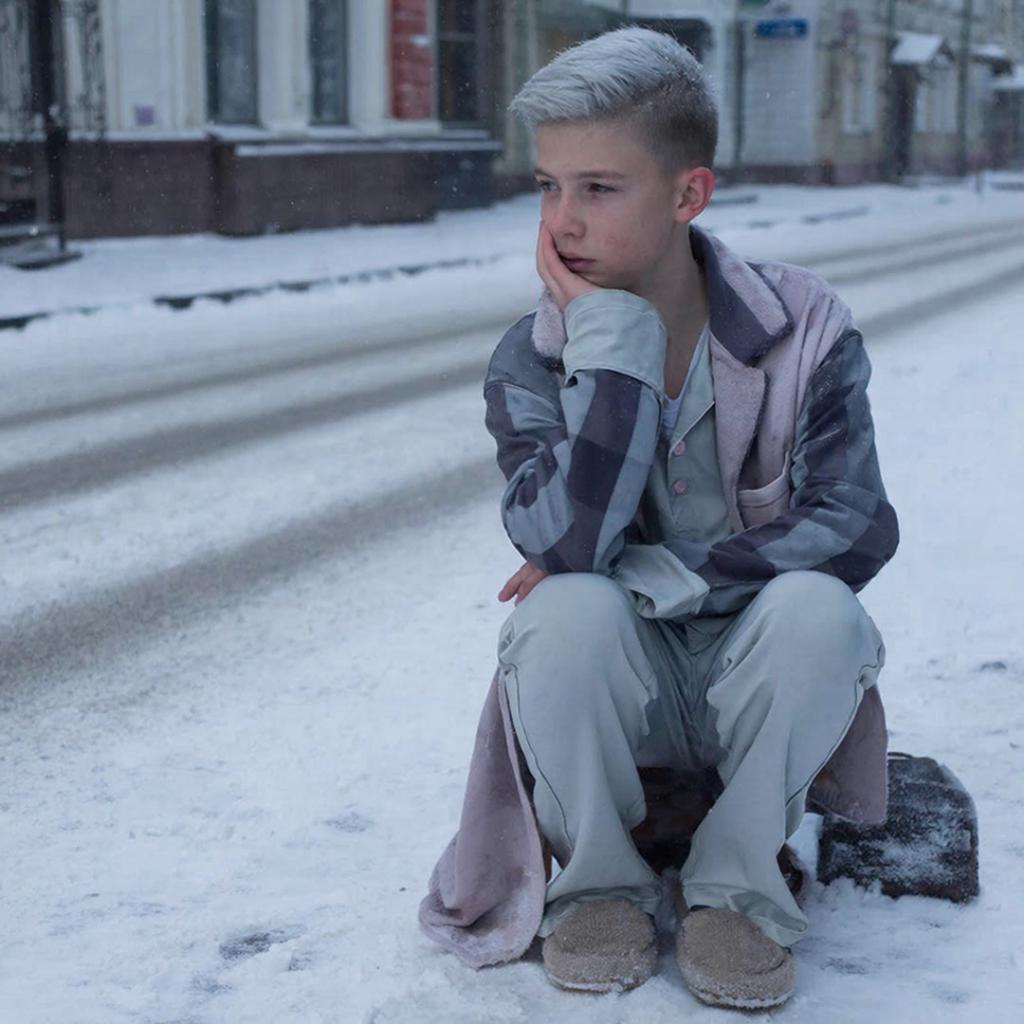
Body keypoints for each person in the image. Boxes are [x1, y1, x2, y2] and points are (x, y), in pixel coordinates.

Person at [418, 25, 898, 1011]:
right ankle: (599, 884)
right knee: (558, 611)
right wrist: (615, 346)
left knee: (821, 609)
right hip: (615, 698)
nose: (561, 222)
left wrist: (664, 573)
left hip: (753, 678)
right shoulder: (533, 358)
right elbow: (560, 547)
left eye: (598, 188)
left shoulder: (804, 327)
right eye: (548, 186)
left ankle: (737, 888)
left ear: (689, 194)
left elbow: (853, 525)